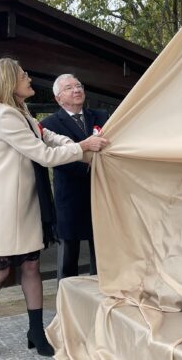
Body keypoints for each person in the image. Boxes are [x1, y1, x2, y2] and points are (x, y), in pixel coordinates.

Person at [0, 58, 108, 360]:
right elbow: (44, 155)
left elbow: (48, 136)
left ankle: (36, 331)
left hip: (25, 203)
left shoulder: (23, 112)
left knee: (31, 266)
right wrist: (83, 147)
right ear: (9, 82)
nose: (29, 78)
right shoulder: (5, 116)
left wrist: (82, 147)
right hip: (2, 206)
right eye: (23, 75)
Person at [40, 74, 107, 280]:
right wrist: (89, 165)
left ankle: (102, 293)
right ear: (59, 98)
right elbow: (56, 157)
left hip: (102, 191)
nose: (76, 90)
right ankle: (65, 302)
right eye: (69, 88)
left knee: (103, 249)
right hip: (70, 194)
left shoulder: (101, 116)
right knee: (69, 254)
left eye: (79, 85)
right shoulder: (49, 124)